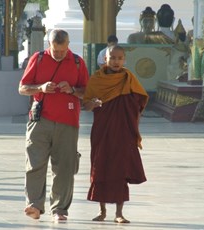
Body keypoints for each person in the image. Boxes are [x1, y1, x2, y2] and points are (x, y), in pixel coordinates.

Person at [18, 29, 89, 221]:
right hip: (40, 120)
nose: (58, 54)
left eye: (62, 51)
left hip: (68, 122)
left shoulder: (77, 62)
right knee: (34, 164)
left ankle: (59, 210)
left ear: (68, 46)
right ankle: (34, 204)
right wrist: (40, 88)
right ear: (49, 45)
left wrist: (73, 90)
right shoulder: (38, 58)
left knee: (64, 168)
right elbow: (22, 88)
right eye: (55, 50)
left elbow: (87, 92)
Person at [83, 45, 149, 223]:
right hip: (102, 130)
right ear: (105, 59)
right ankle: (102, 210)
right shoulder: (97, 79)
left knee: (121, 169)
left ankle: (119, 213)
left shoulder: (128, 78)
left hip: (123, 130)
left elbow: (140, 99)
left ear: (124, 60)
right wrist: (94, 103)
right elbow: (86, 105)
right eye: (112, 58)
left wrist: (132, 108)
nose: (116, 61)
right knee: (100, 166)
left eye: (120, 58)